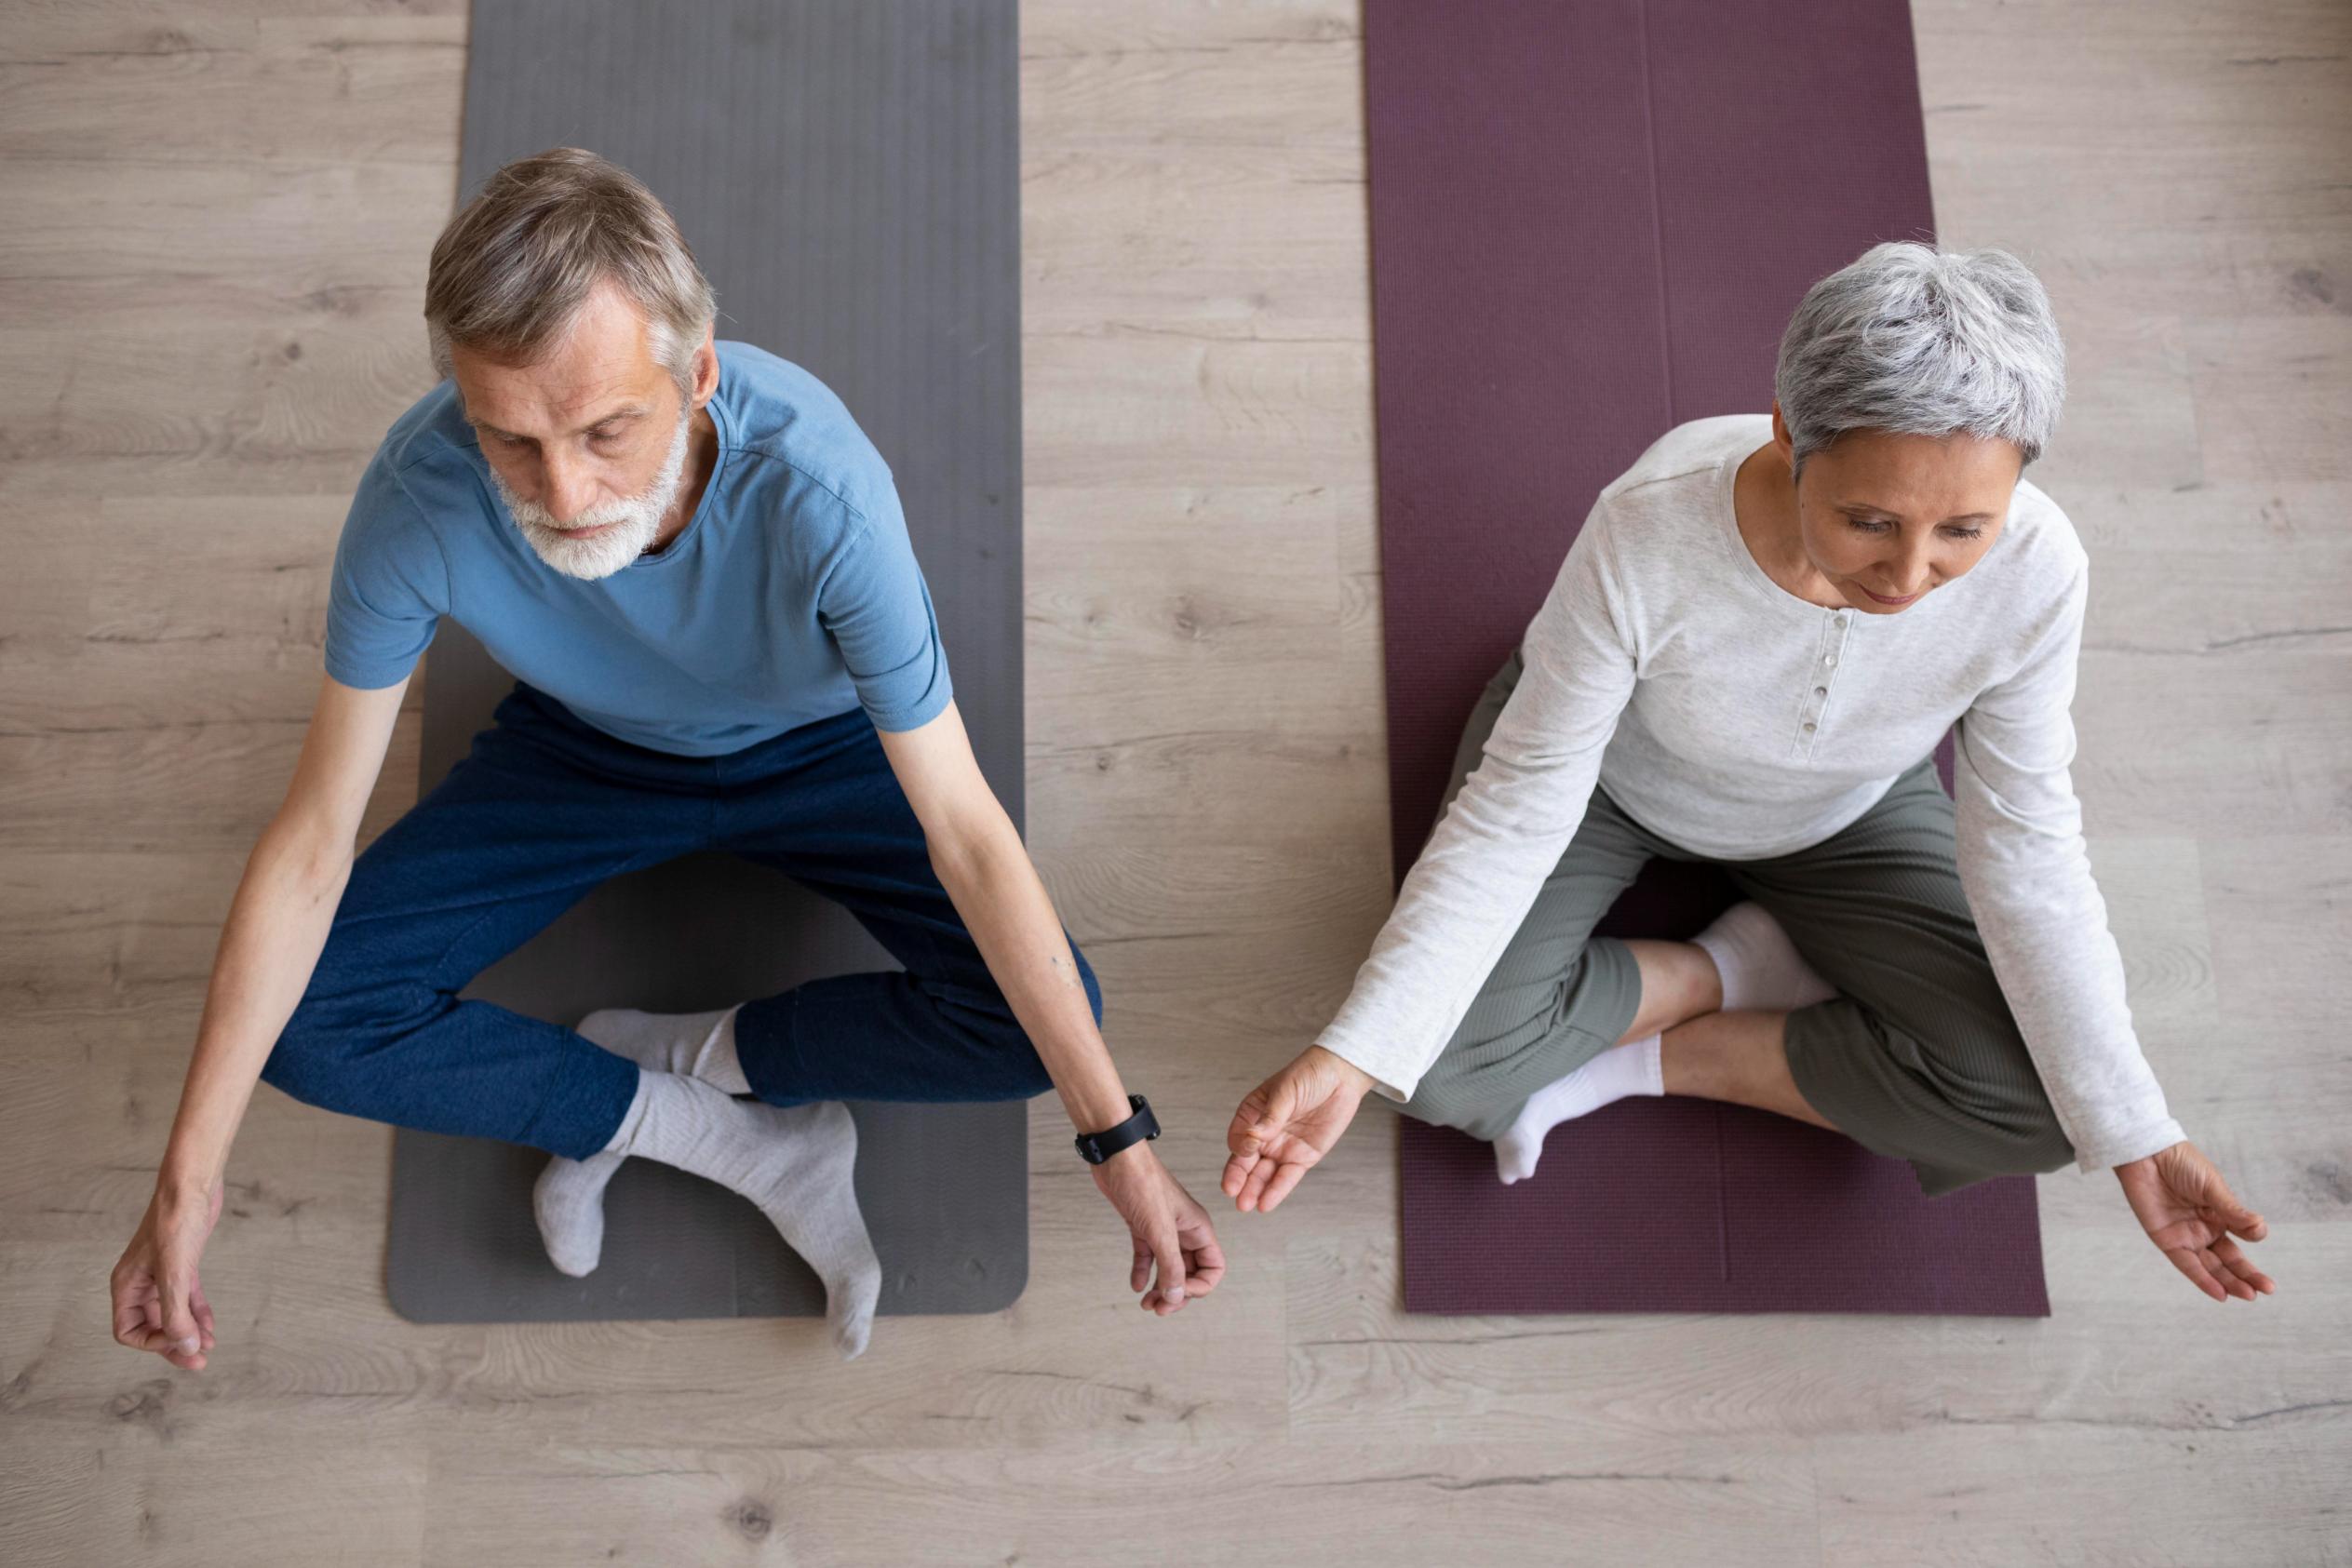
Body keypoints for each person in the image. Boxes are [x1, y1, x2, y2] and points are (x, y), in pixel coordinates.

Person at [109, 147, 1224, 1370]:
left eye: (604, 430)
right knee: (302, 1026)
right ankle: (718, 1133)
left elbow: (962, 829)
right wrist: (186, 1186)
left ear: (694, 375)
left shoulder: (821, 492)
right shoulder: (414, 499)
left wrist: (1120, 1147)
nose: (565, 493)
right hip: (583, 757)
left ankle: (685, 1053)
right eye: (510, 441)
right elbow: (311, 838)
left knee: (1045, 1036)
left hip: (818, 747)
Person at [1223, 242, 2276, 1306]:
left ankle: (1663, 1035)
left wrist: (2139, 1131)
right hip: (1609, 780)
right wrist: (1352, 1051)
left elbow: (2027, 843)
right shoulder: (1647, 522)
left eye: (1962, 528)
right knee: (1431, 1067)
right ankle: (1722, 968)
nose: (1909, 576)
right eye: (1868, 521)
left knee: (2062, 1106)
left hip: (1847, 812)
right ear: (1789, 433)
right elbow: (1518, 805)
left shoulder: (2041, 570)